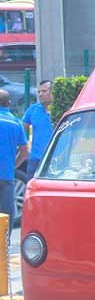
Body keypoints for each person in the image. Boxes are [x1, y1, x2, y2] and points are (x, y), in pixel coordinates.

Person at [0, 89, 29, 234]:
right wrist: (12, 167)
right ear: (9, 104)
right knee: (6, 215)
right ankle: (4, 249)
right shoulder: (16, 123)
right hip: (6, 176)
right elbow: (24, 152)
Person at [23, 80, 54, 181]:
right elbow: (23, 130)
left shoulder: (59, 110)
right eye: (39, 92)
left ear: (52, 92)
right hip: (35, 159)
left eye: (44, 91)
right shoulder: (33, 109)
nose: (40, 94)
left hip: (55, 159)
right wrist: (26, 146)